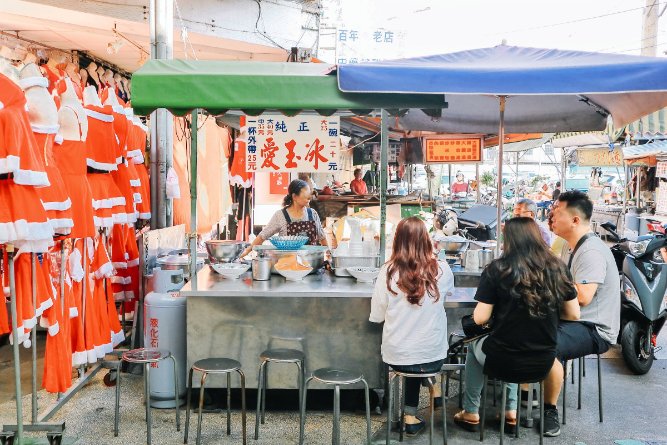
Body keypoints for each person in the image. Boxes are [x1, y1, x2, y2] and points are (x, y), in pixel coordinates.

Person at [453, 218, 580, 434]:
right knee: (508, 343)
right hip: (543, 362)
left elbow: (481, 318)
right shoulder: (557, 268)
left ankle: (471, 411)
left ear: (509, 240)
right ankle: (510, 412)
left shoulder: (497, 270)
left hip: (503, 360)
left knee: (475, 348)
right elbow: (574, 314)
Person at [542, 190, 621, 437]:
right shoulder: (569, 246)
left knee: (547, 344)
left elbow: (584, 298)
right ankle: (525, 394)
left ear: (575, 220)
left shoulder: (591, 251)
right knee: (529, 329)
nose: (551, 216)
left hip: (593, 327)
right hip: (572, 318)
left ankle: (548, 409)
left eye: (557, 213)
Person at [369, 217, 455, 436]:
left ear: (397, 241)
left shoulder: (388, 271)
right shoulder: (442, 269)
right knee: (421, 352)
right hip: (433, 355)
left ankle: (409, 416)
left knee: (410, 354)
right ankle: (431, 388)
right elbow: (449, 293)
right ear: (427, 240)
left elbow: (377, 315)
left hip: (397, 356)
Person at [240, 179, 327, 257]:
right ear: (294, 197)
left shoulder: (312, 213)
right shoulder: (280, 215)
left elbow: (322, 237)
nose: (309, 197)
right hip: (287, 264)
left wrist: (329, 254)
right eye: (306, 194)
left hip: (311, 263)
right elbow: (263, 236)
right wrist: (247, 250)